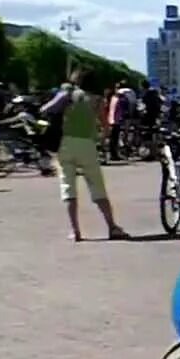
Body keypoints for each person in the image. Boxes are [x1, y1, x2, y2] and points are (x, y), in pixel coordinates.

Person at [39, 68, 129, 242]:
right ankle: (112, 226)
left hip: (65, 144)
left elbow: (45, 110)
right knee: (97, 186)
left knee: (68, 187)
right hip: (87, 145)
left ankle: (75, 231)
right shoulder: (97, 99)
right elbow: (105, 125)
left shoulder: (68, 94)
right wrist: (101, 140)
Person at [106, 86, 125, 162]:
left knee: (114, 138)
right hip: (115, 121)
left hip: (113, 120)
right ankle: (114, 154)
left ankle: (114, 154)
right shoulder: (116, 99)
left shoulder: (113, 98)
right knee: (114, 138)